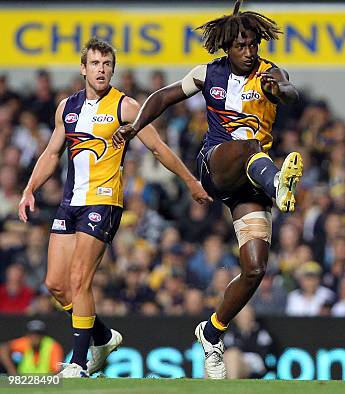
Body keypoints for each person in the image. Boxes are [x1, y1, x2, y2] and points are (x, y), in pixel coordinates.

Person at [111, 0, 302, 379]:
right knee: (248, 144)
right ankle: (279, 182)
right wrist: (134, 128)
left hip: (251, 181)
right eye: (242, 46)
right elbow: (164, 97)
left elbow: (289, 92)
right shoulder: (206, 74)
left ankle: (212, 331)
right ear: (227, 47)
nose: (249, 52)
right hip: (217, 163)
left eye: (253, 45)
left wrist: (277, 90)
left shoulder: (269, 72)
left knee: (255, 269)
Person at [17, 37, 210, 378]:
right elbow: (50, 154)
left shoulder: (126, 107)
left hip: (104, 200)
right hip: (70, 201)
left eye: (107, 64)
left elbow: (158, 148)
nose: (101, 70)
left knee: (79, 279)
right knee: (55, 284)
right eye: (95, 64)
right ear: (83, 68)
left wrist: (191, 181)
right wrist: (30, 188)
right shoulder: (67, 107)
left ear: (112, 69)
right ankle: (103, 336)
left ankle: (78, 363)